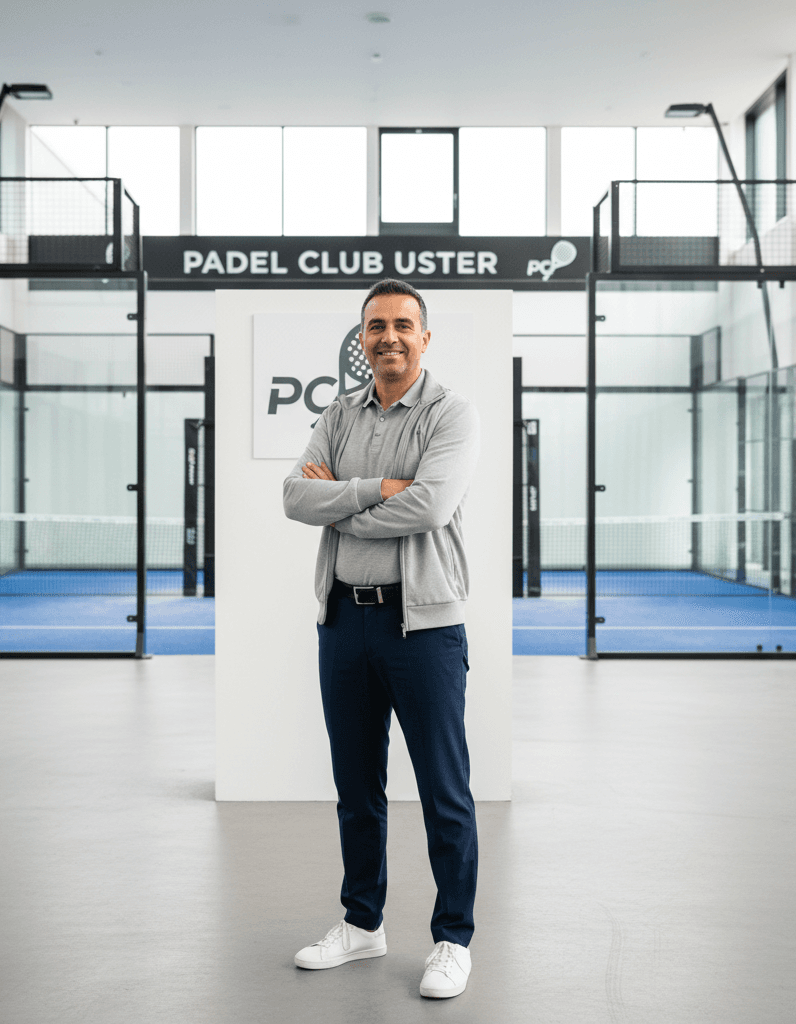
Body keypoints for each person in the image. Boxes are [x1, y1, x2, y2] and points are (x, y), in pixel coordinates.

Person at [282, 278, 481, 999]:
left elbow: (430, 506)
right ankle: (362, 925)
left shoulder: (450, 414)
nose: (388, 336)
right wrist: (375, 490)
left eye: (403, 324)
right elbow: (293, 496)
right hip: (344, 623)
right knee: (356, 789)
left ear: (424, 338)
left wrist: (340, 502)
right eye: (376, 326)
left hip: (422, 628)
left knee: (443, 793)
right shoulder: (339, 413)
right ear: (361, 339)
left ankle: (453, 939)